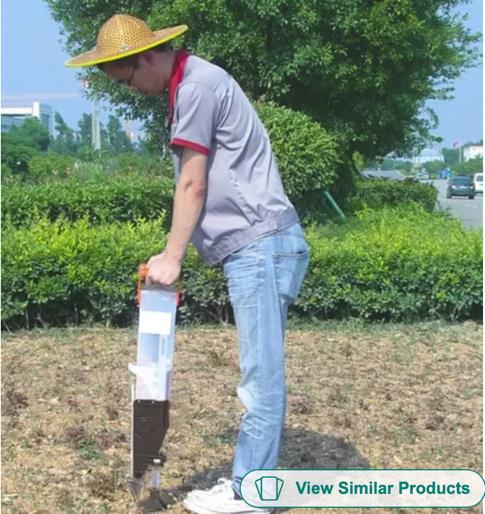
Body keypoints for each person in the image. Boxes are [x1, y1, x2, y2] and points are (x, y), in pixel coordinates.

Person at [66, 13, 309, 514]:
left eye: (127, 80)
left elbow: (193, 183)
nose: (131, 91)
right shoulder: (190, 85)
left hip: (261, 245)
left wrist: (173, 256)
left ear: (147, 58)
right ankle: (248, 483)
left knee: (261, 379)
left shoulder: (196, 88)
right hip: (258, 245)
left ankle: (253, 495)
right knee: (257, 375)